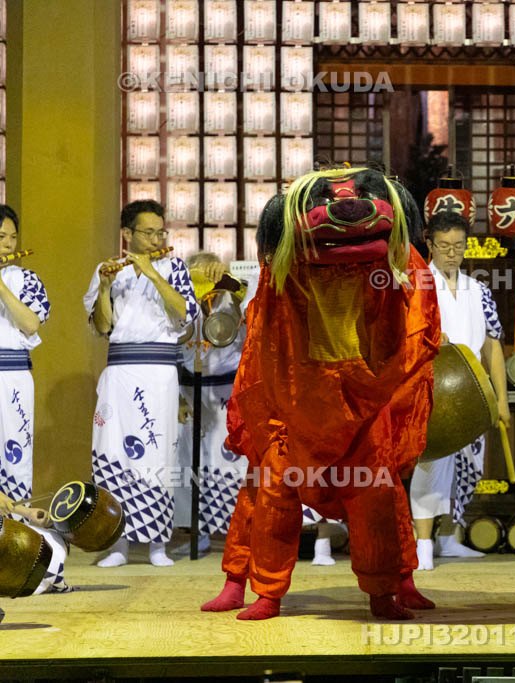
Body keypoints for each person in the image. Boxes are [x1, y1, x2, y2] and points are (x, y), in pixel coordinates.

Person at [201, 168, 439, 621]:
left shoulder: (398, 262)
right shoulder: (285, 265)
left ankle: (390, 587)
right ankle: (251, 586)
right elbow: (263, 339)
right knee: (267, 490)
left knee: (378, 496)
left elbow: (418, 324)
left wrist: (391, 383)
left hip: (365, 401)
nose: (347, 210)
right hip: (297, 400)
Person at [84, 200, 198, 568]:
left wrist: (152, 273)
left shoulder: (174, 267)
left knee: (157, 452)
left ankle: (156, 545)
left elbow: (184, 314)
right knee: (112, 453)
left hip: (159, 371)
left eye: (160, 232)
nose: (155, 239)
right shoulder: (107, 269)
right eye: (148, 232)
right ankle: (116, 544)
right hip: (120, 368)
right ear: (127, 235)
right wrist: (104, 289)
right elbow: (103, 327)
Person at [409, 211, 510, 571]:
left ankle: (449, 538)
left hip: (474, 392)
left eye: (459, 246)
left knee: (467, 465)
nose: (452, 253)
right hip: (434, 388)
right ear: (430, 244)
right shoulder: (419, 286)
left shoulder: (478, 289)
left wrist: (501, 398)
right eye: (444, 246)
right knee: (430, 464)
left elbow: (494, 345)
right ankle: (422, 545)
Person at [172, 252, 250, 555]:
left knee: (233, 464)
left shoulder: (231, 295)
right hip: (189, 388)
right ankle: (198, 531)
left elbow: (244, 297)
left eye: (207, 274)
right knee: (190, 464)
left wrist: (225, 277)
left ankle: (238, 534)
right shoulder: (181, 300)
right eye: (196, 275)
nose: (203, 280)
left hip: (226, 389)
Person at [0, 205, 50, 514]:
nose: (8, 244)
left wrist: (1, 287)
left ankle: (17, 535)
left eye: (13, 237)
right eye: (1, 236)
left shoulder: (26, 279)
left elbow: (31, 324)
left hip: (13, 375)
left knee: (14, 454)